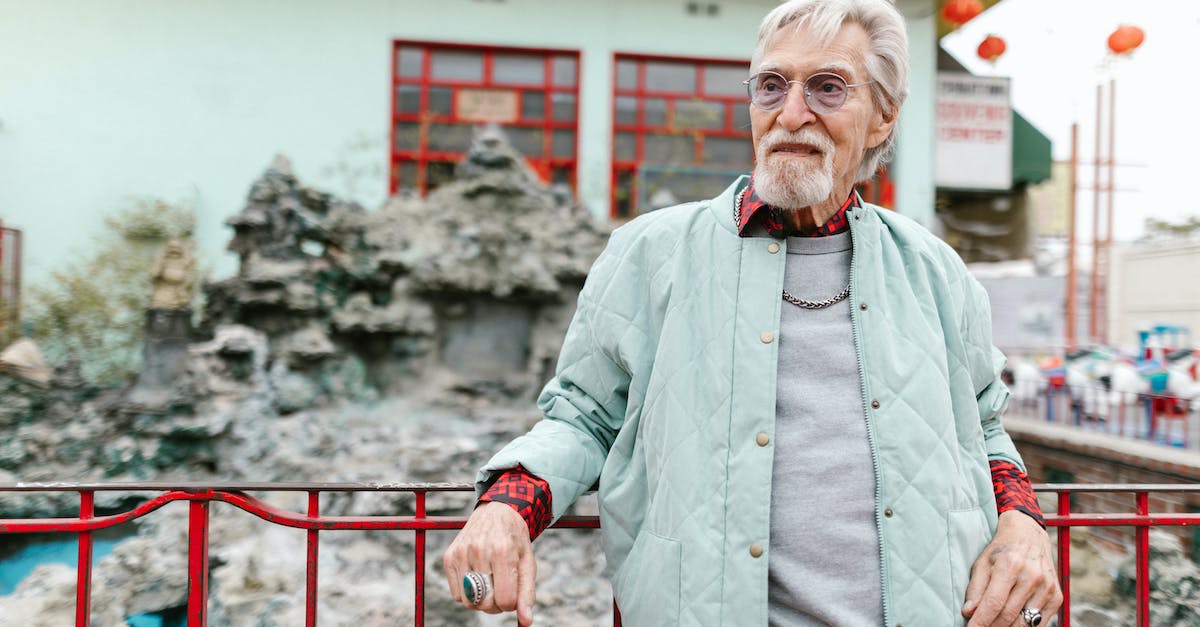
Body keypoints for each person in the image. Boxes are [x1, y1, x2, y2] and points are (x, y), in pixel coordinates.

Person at [443, 0, 1062, 625]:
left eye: (827, 88)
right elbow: (583, 417)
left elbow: (984, 431)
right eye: (771, 86)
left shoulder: (935, 271)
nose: (792, 114)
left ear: (882, 117)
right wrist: (506, 506)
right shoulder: (651, 253)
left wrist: (1024, 524)